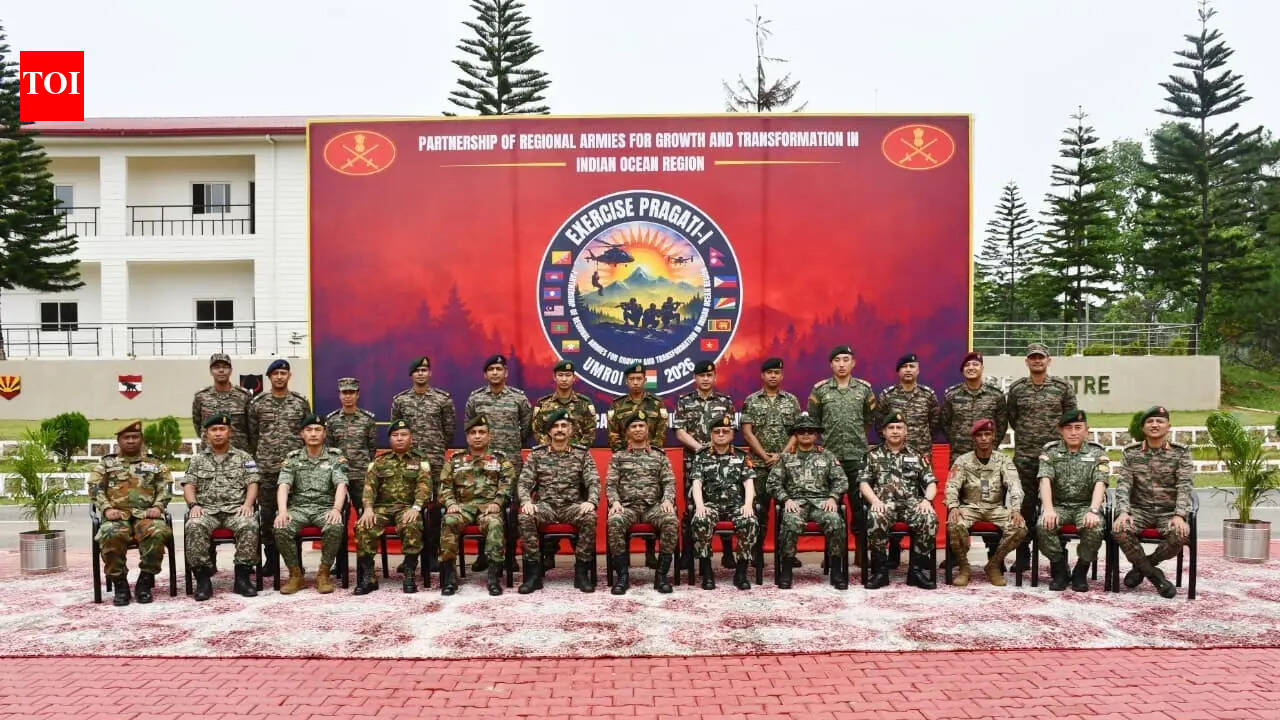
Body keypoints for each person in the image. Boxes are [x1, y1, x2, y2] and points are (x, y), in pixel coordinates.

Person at [1007, 342, 1077, 571]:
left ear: (1049, 360)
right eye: (1032, 357)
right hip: (1025, 456)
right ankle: (1023, 552)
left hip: (1055, 456)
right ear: (1026, 361)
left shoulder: (1062, 387)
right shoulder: (1017, 389)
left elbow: (1071, 420)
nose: (1037, 360)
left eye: (1041, 357)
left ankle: (1059, 556)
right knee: (1024, 505)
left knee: (1057, 505)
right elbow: (1013, 418)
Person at [518, 409, 601, 594]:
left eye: (564, 426)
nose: (560, 429)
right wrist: (525, 502)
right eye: (555, 426)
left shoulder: (582, 454)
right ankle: (533, 574)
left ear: (570, 430)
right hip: (546, 506)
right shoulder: (537, 455)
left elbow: (593, 481)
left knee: (589, 516)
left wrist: (591, 501)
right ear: (549, 431)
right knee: (525, 517)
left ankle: (582, 573)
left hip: (571, 506)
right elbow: (524, 483)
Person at [91, 420, 173, 606]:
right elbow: (94, 488)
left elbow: (166, 487)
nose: (130, 441)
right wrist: (107, 508)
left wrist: (158, 507)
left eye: (135, 437)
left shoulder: (154, 463)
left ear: (141, 439)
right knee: (109, 533)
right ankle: (120, 584)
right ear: (119, 441)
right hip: (116, 516)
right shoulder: (106, 464)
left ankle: (145, 581)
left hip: (147, 515)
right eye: (126, 437)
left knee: (158, 531)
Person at [1112, 405, 1190, 599]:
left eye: (1159, 421)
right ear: (1143, 427)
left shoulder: (1180, 452)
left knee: (1180, 534)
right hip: (1139, 510)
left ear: (1168, 427)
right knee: (1120, 529)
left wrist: (1179, 515)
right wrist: (1123, 512)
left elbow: (1184, 485)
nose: (1155, 425)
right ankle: (1155, 577)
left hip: (1169, 512)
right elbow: (1123, 485)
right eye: (1150, 421)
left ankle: (1143, 567)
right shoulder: (1131, 453)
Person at [464, 353, 532, 571]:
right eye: (491, 369)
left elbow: (527, 427)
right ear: (485, 374)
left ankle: (510, 555)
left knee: (511, 508)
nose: (495, 372)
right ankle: (483, 555)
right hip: (481, 462)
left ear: (506, 373)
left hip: (510, 462)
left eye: (499, 369)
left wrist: (512, 445)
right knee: (482, 503)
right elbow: (470, 427)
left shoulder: (518, 398)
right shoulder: (476, 398)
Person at [767, 413, 849, 590]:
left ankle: (836, 570)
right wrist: (786, 499)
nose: (806, 434)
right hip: (796, 503)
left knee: (835, 520)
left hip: (822, 503)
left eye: (810, 431)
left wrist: (833, 497)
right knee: (790, 521)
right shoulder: (786, 457)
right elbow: (772, 483)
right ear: (795, 435)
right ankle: (786, 570)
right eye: (801, 431)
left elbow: (841, 480)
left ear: (816, 434)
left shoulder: (827, 456)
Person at [183, 413, 260, 601]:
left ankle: (242, 578)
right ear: (207, 434)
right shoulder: (197, 459)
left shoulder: (244, 457)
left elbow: (253, 482)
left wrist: (248, 504)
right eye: (213, 430)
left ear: (229, 432)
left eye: (222, 429)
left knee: (249, 525)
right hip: (207, 510)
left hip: (235, 509)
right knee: (194, 525)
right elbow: (189, 485)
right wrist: (193, 505)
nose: (218, 433)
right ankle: (203, 580)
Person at [437, 415, 516, 596]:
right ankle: (450, 577)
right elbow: (444, 486)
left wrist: (497, 502)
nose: (477, 436)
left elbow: (508, 484)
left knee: (495, 523)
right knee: (448, 521)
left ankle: (493, 577)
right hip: (462, 507)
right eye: (473, 433)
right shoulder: (455, 460)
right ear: (467, 437)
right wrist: (450, 503)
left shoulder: (500, 460)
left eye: (482, 432)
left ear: (489, 436)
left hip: (489, 508)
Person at [246, 358, 311, 577]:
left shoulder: (300, 402)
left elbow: (307, 433)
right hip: (267, 469)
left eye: (284, 373)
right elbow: (253, 435)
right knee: (267, 516)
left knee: (295, 514)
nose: (280, 377)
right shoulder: (258, 403)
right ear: (269, 377)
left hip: (295, 469)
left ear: (289, 376)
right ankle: (271, 560)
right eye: (276, 374)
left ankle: (296, 561)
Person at [859, 412, 939, 590]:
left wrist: (927, 500)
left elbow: (931, 483)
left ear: (906, 432)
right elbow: (863, 483)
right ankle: (880, 571)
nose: (895, 431)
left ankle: (916, 571)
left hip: (912, 504)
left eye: (899, 428)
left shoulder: (917, 455)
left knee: (929, 518)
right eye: (891, 428)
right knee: (875, 517)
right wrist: (874, 501)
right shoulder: (872, 455)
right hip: (884, 504)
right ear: (884, 432)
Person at [944, 419, 1026, 586]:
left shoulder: (1003, 460)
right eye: (979, 435)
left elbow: (1015, 485)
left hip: (995, 508)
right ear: (974, 438)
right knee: (954, 524)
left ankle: (994, 565)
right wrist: (953, 506)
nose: (983, 438)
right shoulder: (963, 461)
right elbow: (951, 485)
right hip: (970, 507)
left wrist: (1016, 509)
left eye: (987, 434)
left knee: (1020, 527)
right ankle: (964, 567)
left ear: (993, 436)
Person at [273, 414, 348, 595]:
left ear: (324, 433)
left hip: (325, 508)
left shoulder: (335, 457)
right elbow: (284, 485)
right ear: (302, 434)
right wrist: (282, 511)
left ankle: (323, 573)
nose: (313, 434)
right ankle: (295, 574)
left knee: (335, 525)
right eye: (309, 430)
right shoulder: (292, 458)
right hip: (298, 508)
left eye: (318, 430)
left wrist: (336, 509)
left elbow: (341, 484)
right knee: (281, 526)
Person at [354, 419, 430, 595]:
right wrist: (368, 509)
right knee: (363, 525)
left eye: (404, 435)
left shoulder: (420, 460)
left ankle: (409, 572)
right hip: (381, 509)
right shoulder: (379, 461)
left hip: (407, 508)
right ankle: (369, 575)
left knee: (412, 524)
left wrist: (416, 507)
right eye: (395, 435)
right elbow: (369, 487)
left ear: (411, 438)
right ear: (389, 439)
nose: (400, 438)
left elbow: (424, 487)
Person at [606, 411, 678, 595]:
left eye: (641, 426)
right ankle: (622, 576)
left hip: (653, 508)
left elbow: (669, 482)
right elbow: (611, 484)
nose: (638, 429)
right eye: (633, 426)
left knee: (670, 520)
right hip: (627, 507)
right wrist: (614, 502)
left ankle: (661, 576)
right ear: (627, 432)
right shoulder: (618, 457)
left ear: (648, 429)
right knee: (614, 521)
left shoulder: (659, 456)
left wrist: (667, 500)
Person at [1036, 409, 1108, 592]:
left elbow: (1100, 482)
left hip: (1085, 506)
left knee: (1095, 527)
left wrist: (1093, 510)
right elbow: (1045, 480)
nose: (1073, 432)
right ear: (1061, 430)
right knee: (1043, 525)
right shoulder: (1051, 451)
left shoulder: (1097, 452)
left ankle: (1081, 571)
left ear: (1086, 430)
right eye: (1068, 428)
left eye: (1078, 427)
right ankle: (1060, 568)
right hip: (1059, 506)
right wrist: (1048, 509)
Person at [673, 360, 737, 568]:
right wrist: (701, 449)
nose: (706, 379)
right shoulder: (685, 401)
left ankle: (728, 552)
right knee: (692, 506)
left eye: (709, 375)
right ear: (695, 378)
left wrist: (716, 448)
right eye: (702, 375)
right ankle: (688, 552)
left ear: (715, 377)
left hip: (721, 462)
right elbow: (679, 431)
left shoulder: (725, 401)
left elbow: (731, 430)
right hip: (693, 461)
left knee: (725, 502)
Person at [606, 361, 669, 569]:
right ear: (626, 381)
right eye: (631, 379)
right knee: (624, 508)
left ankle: (651, 553)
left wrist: (649, 452)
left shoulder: (656, 404)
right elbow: (614, 434)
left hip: (651, 457)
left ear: (645, 380)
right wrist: (626, 453)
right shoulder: (617, 405)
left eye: (639, 379)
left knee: (653, 497)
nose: (635, 382)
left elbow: (660, 432)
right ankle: (622, 564)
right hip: (626, 458)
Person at [739, 357, 800, 567]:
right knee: (759, 510)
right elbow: (747, 433)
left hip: (786, 465)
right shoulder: (751, 400)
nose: (773, 376)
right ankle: (757, 552)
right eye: (769, 372)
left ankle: (787, 553)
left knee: (788, 511)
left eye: (777, 372)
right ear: (762, 375)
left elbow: (797, 432)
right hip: (759, 465)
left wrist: (781, 456)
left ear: (782, 375)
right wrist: (765, 457)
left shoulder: (791, 400)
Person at [688, 414, 759, 590]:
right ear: (711, 434)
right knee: (700, 520)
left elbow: (748, 483)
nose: (721, 434)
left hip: (736, 505)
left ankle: (741, 572)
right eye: (717, 431)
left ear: (732, 434)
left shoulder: (742, 456)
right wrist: (700, 506)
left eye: (725, 431)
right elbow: (697, 483)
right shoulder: (701, 456)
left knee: (750, 521)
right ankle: (707, 572)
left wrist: (748, 505)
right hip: (711, 505)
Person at [390, 356, 456, 490]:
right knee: (408, 493)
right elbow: (396, 430)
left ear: (430, 373)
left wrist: (438, 447)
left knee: (438, 495)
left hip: (435, 458)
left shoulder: (442, 399)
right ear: (411, 375)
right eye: (417, 371)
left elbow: (449, 429)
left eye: (424, 370)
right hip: (409, 457)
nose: (420, 373)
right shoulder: (400, 400)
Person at [939, 352, 1008, 463]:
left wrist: (991, 444)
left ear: (982, 368)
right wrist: (956, 440)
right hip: (959, 455)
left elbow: (1001, 425)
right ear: (963, 370)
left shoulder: (996, 395)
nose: (971, 368)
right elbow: (944, 423)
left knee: (986, 476)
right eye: (967, 365)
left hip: (987, 454)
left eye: (975, 364)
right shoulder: (951, 395)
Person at [324, 377, 376, 512]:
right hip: (339, 474)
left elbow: (372, 448)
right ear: (339, 395)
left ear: (357, 394)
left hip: (361, 475)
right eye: (344, 392)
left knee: (364, 512)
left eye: (351, 392)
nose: (348, 396)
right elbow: (329, 449)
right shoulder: (332, 420)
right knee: (339, 513)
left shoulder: (367, 419)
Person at [876, 353, 940, 458]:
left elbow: (936, 423)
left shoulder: (928, 395)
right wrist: (892, 441)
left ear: (918, 370)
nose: (908, 370)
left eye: (912, 366)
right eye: (904, 366)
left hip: (921, 452)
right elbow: (879, 424)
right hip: (894, 452)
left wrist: (923, 440)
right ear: (898, 371)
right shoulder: (887, 395)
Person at [531, 360, 598, 448]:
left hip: (577, 454)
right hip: (550, 454)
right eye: (560, 375)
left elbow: (590, 432)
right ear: (554, 377)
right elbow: (537, 431)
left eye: (568, 375)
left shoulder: (585, 403)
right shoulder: (543, 403)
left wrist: (577, 450)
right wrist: (553, 448)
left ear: (574, 378)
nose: (564, 379)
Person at [191, 352, 251, 451]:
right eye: (216, 367)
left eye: (225, 367)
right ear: (211, 371)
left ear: (231, 371)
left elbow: (252, 428)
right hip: (209, 454)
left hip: (238, 453)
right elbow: (198, 425)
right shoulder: (201, 396)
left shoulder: (244, 396)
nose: (221, 370)